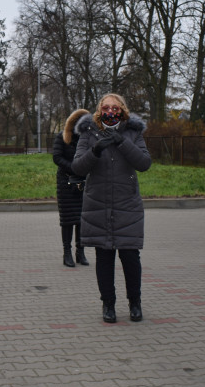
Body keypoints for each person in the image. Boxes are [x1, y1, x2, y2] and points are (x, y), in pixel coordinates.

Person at [71, 94, 152, 323]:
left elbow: (144, 163)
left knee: (130, 256)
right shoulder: (88, 133)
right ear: (99, 110)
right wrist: (95, 150)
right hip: (98, 203)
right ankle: (108, 304)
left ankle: (135, 303)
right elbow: (77, 167)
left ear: (122, 110)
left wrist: (121, 142)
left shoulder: (132, 132)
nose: (109, 110)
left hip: (127, 204)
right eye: (105, 107)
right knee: (104, 257)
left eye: (114, 107)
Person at [52, 108, 91, 268]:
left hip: (83, 183)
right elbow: (57, 157)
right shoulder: (62, 137)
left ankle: (80, 252)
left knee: (82, 219)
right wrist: (74, 167)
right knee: (67, 220)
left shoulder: (88, 138)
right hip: (66, 182)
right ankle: (67, 253)